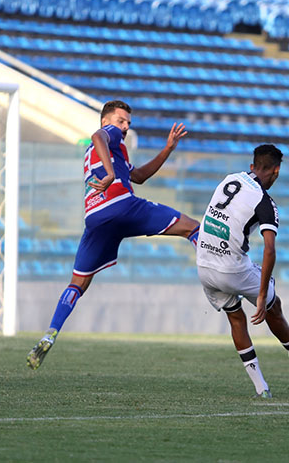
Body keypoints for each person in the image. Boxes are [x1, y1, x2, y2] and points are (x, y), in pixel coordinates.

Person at [26, 100, 201, 369]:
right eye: (121, 121)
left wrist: (167, 149)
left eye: (128, 123)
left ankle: (50, 332)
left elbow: (139, 176)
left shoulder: (111, 152)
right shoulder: (109, 136)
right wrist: (110, 174)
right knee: (191, 226)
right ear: (107, 121)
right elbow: (98, 135)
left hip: (95, 218)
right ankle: (218, 272)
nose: (126, 127)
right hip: (121, 205)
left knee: (77, 284)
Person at [196, 144, 289, 398]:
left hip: (204, 263)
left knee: (236, 318)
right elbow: (270, 250)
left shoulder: (230, 179)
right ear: (276, 172)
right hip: (231, 269)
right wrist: (261, 295)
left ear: (252, 166)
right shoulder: (265, 201)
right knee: (273, 302)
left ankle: (261, 388)